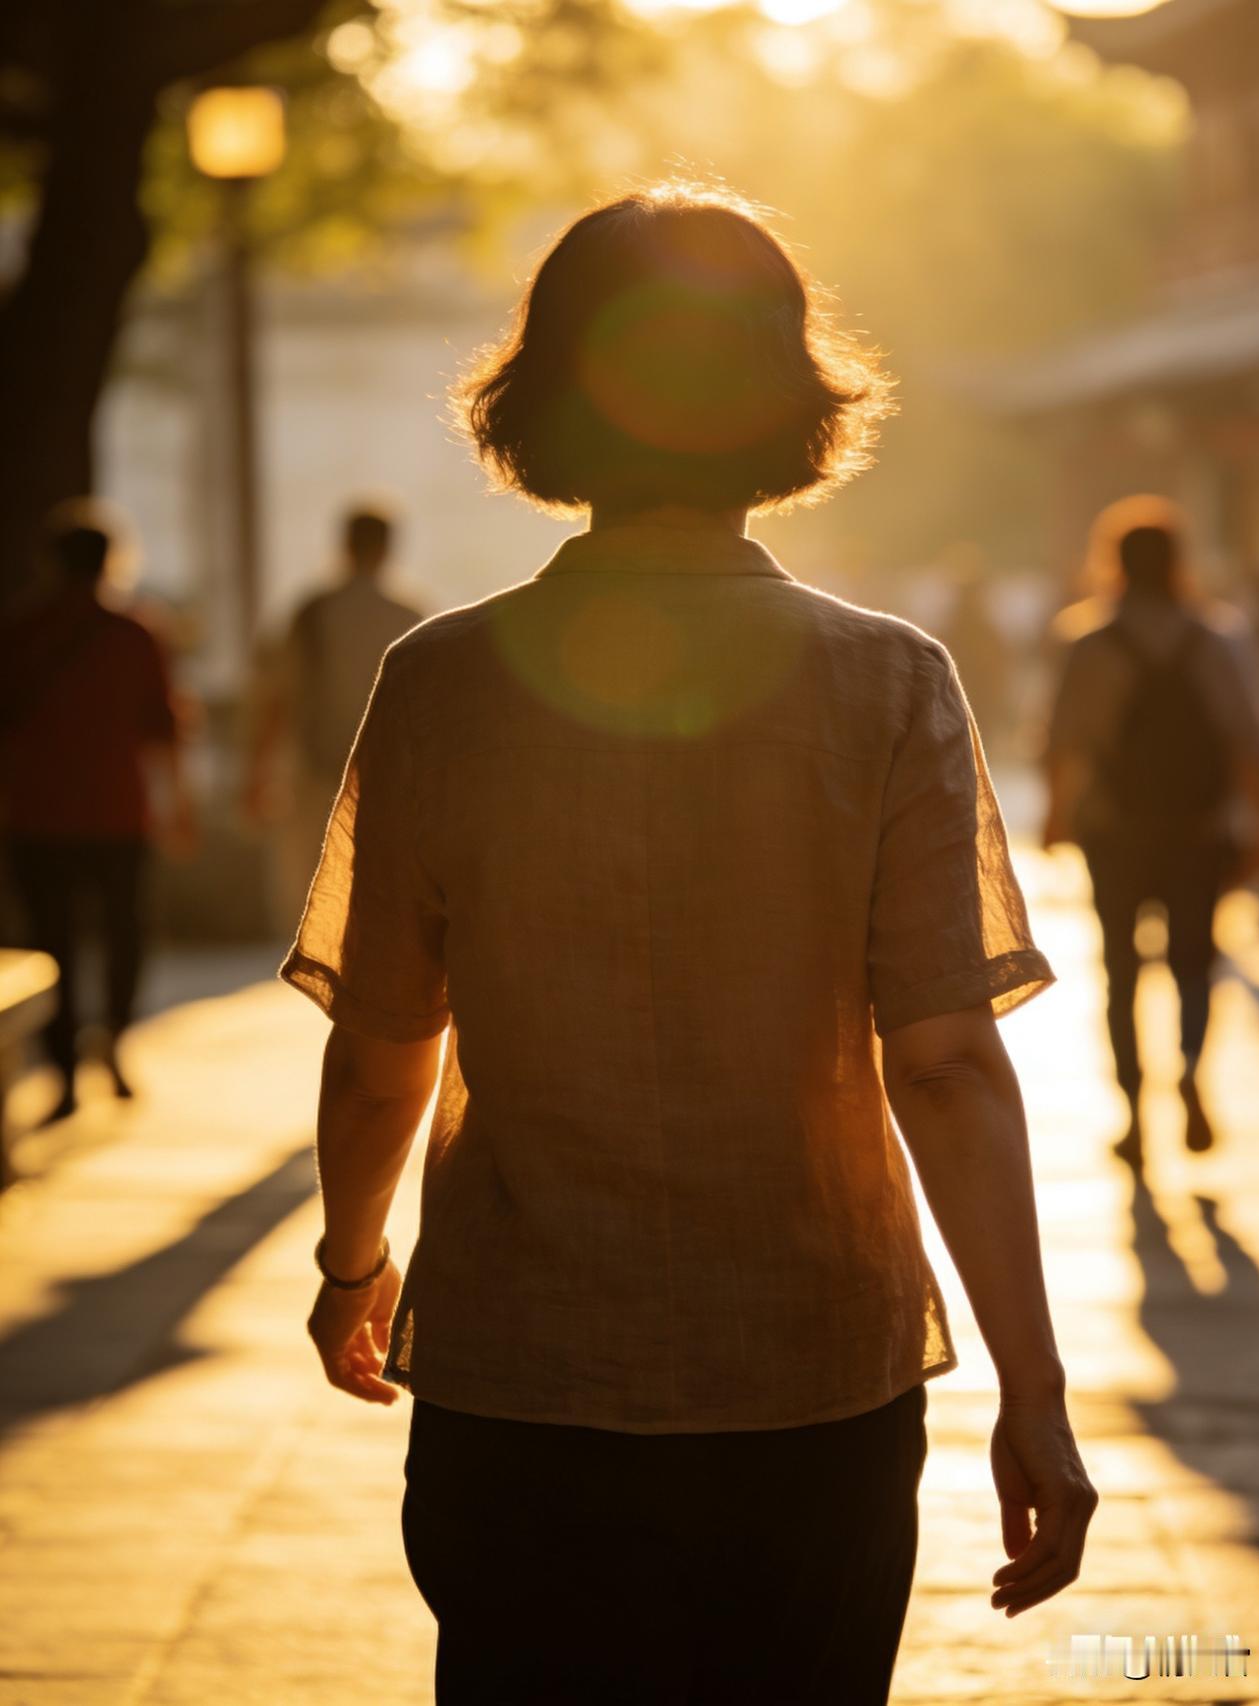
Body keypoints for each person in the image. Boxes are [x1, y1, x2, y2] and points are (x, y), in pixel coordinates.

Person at [282, 184, 1096, 1706]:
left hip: (523, 1369)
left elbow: (384, 1040)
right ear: (787, 397)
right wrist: (1033, 1392)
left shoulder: (441, 683)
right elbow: (945, 1060)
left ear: (543, 399)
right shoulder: (887, 682)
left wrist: (352, 1262)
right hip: (811, 1368)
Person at [1043, 496, 1259, 1168]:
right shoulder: (1218, 637)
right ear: (1179, 561)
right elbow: (1252, 743)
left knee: (1119, 973)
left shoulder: (1088, 640)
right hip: (1198, 831)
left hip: (1114, 831)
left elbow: (1063, 742)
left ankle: (1133, 1113)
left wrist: (1057, 818)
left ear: (1113, 562)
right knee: (1194, 963)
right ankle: (1192, 1070)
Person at [0, 507, 193, 1122]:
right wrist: (179, 807)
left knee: (50, 941)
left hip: (38, 814)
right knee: (123, 936)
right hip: (117, 813)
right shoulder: (135, 633)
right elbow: (164, 730)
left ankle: (62, 1073)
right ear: (113, 561)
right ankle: (114, 1040)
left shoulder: (21, 632)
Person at [244, 503, 425, 929]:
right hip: (386, 774)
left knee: (310, 893)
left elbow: (279, 697)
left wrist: (257, 773)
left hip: (316, 771)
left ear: (344, 545)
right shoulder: (408, 616)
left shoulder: (313, 612)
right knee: (378, 889)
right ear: (388, 548)